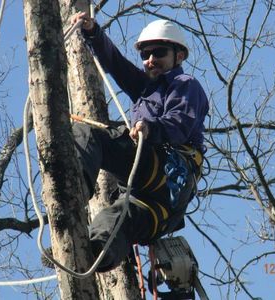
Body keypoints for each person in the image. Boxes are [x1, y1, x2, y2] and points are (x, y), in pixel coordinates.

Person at [67, 12, 209, 272]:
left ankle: (71, 188)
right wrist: (92, 32)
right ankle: (87, 255)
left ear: (179, 56)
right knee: (115, 220)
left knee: (91, 135)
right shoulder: (145, 88)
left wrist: (150, 128)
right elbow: (116, 64)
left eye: (159, 52)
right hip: (158, 207)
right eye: (145, 55)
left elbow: (180, 123)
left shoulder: (184, 84)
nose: (151, 59)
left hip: (167, 170)